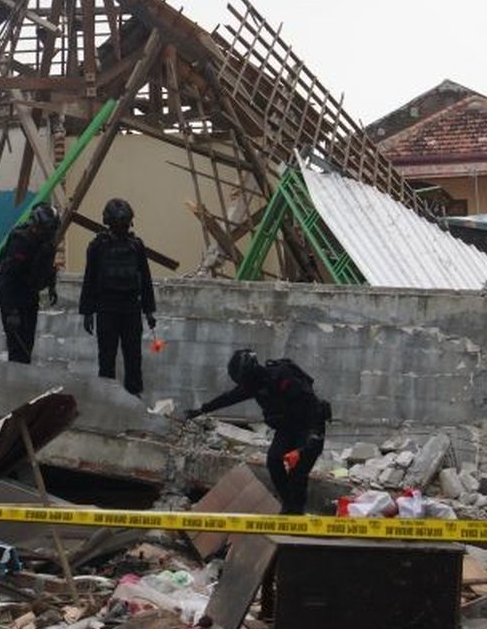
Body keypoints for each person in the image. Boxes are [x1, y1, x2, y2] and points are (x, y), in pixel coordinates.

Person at [185, 349, 332, 514]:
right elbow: (228, 398)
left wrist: (310, 439)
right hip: (287, 429)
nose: (245, 387)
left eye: (245, 381)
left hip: (309, 426)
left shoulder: (282, 377)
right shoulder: (253, 385)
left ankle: (294, 512)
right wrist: (201, 410)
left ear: (252, 373)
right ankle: (290, 508)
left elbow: (311, 406)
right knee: (274, 460)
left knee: (298, 471)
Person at [79, 198, 156, 396]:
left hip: (131, 309)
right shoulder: (98, 246)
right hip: (107, 309)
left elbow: (145, 279)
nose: (122, 228)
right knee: (106, 358)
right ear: (109, 223)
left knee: (133, 358)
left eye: (124, 224)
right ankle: (106, 399)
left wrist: (149, 311)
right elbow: (90, 278)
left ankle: (134, 397)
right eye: (118, 224)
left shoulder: (136, 246)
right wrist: (88, 312)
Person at [0, 204, 60, 364]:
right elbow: (4, 281)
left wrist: (51, 285)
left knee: (27, 347)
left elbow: (44, 269)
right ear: (37, 226)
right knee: (17, 350)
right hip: (14, 299)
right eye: (47, 230)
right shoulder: (21, 242)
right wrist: (10, 311)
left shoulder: (47, 244)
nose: (50, 234)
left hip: (30, 297)